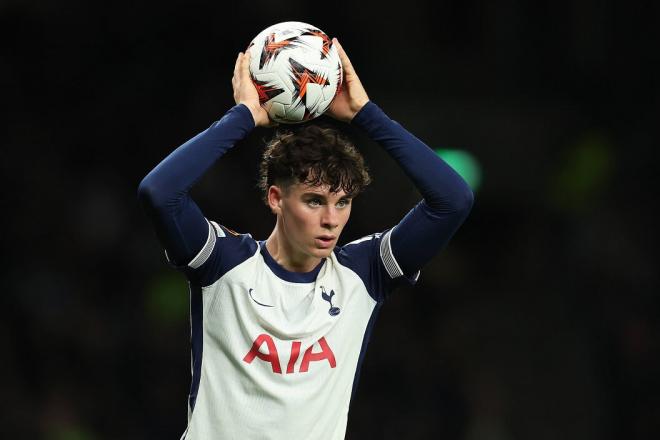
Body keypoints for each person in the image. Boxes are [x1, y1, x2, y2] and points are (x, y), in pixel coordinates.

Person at [138, 38, 473, 440]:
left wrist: (366, 114)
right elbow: (159, 193)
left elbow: (453, 200)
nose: (332, 220)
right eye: (315, 201)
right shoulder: (222, 264)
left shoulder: (364, 275)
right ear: (276, 198)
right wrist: (243, 115)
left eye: (343, 202)